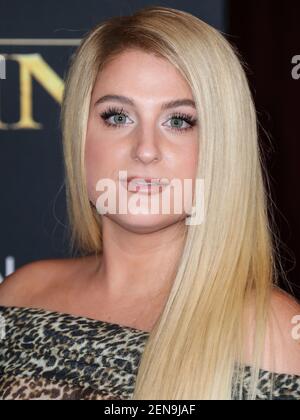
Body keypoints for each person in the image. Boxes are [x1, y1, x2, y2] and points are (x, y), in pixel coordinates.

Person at [0, 6, 299, 400]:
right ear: (80, 136)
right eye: (118, 116)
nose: (144, 150)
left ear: (222, 147)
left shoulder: (274, 332)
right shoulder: (21, 296)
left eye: (179, 121)